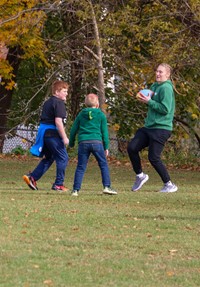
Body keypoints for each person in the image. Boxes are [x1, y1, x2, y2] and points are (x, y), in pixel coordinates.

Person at [127, 63, 178, 193]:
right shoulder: (155, 85)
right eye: (157, 71)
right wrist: (143, 97)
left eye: (161, 72)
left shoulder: (166, 88)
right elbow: (150, 98)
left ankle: (169, 184)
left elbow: (165, 109)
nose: (157, 74)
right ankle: (140, 176)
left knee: (153, 157)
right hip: (149, 127)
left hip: (162, 128)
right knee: (132, 147)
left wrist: (149, 102)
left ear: (167, 74)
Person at [23, 80, 69, 192]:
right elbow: (58, 122)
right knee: (63, 158)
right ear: (57, 92)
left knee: (49, 157)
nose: (66, 93)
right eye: (64, 91)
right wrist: (64, 137)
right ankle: (58, 184)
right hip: (53, 134)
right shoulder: (59, 103)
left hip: (45, 134)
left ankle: (32, 177)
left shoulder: (48, 102)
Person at [69, 93, 117, 196]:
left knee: (81, 166)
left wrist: (71, 142)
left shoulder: (81, 114)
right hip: (97, 143)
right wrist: (106, 146)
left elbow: (73, 129)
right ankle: (107, 186)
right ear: (97, 104)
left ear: (86, 104)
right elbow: (104, 132)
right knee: (103, 164)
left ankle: (75, 190)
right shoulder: (100, 115)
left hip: (83, 143)